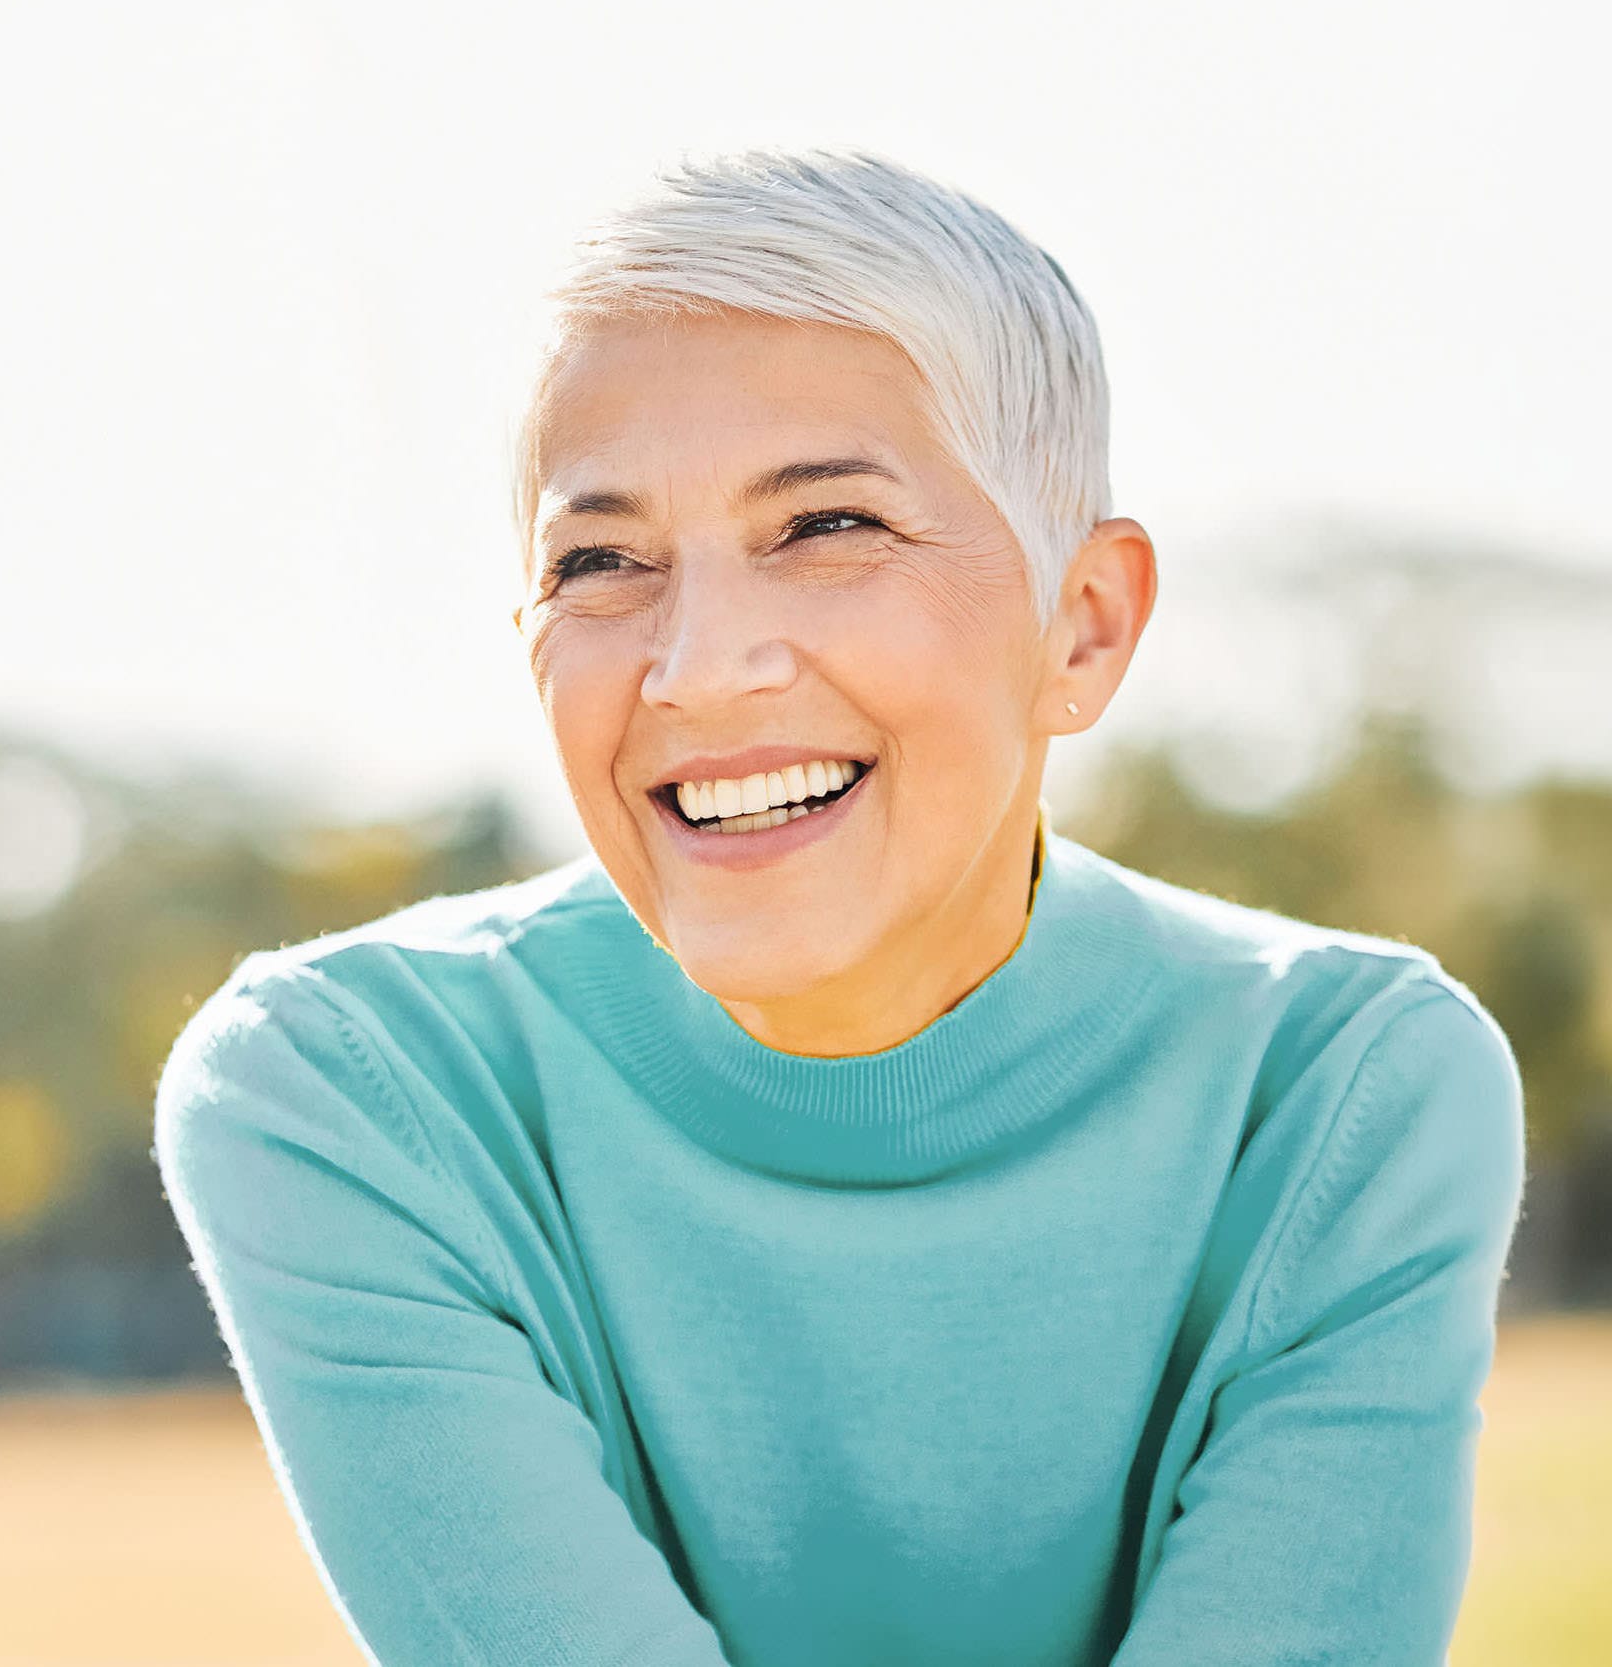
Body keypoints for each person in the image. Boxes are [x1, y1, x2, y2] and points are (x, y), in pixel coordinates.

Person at [151, 148, 1526, 1667]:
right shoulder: (351, 1092)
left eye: (828, 529)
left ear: (1083, 626)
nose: (695, 665)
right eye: (601, 562)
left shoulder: (1344, 1094)